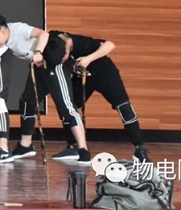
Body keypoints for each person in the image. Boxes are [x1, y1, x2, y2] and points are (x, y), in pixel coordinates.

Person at [0, 13, 92, 165]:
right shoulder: (2, 42)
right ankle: (25, 145)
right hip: (38, 67)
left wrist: (38, 52)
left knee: (66, 106)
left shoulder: (18, 29)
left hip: (54, 63)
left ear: (2, 31)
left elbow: (43, 34)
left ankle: (83, 149)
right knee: (27, 102)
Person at [49, 30, 150, 164]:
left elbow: (110, 45)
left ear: (68, 48)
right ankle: (73, 146)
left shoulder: (81, 42)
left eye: (64, 56)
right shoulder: (52, 38)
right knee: (66, 106)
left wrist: (88, 59)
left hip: (105, 74)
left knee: (124, 106)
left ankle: (140, 148)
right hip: (82, 76)